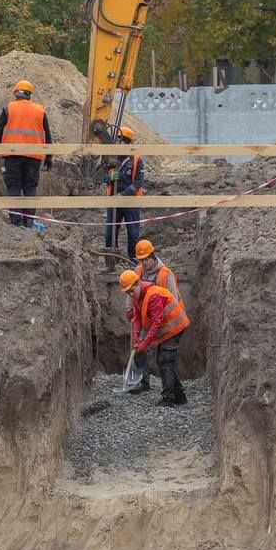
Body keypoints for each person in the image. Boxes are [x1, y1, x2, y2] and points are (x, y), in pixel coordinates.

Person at [119, 269, 189, 406]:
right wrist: (136, 336)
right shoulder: (138, 297)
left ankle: (168, 398)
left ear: (138, 283)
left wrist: (144, 344)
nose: (130, 294)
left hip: (175, 326)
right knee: (164, 360)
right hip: (167, 328)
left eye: (131, 290)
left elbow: (156, 324)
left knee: (165, 359)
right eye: (127, 292)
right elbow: (138, 317)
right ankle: (179, 396)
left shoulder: (153, 295)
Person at [0, 80, 52, 227]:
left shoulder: (9, 108)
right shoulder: (40, 111)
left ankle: (16, 222)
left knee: (14, 187)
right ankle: (29, 221)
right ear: (30, 95)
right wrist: (49, 157)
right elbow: (47, 136)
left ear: (16, 94)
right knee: (30, 188)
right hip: (34, 157)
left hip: (12, 156)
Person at [105, 126, 144, 260]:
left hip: (130, 201)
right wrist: (110, 177)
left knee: (133, 232)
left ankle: (133, 259)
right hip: (113, 201)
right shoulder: (112, 158)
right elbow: (102, 176)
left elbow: (139, 181)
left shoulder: (136, 159)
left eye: (120, 141)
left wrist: (123, 195)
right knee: (110, 232)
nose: (118, 144)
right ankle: (111, 260)